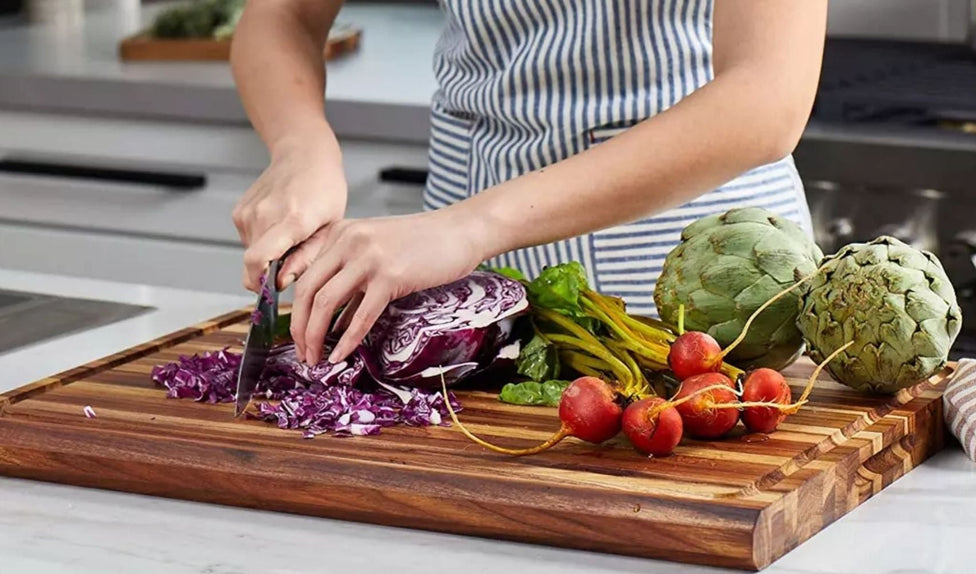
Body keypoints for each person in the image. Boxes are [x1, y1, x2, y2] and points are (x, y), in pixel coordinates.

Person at [229, 0, 827, 368]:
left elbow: (768, 96)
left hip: (698, 284)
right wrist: (300, 146)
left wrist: (467, 228)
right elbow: (283, 14)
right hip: (451, 285)